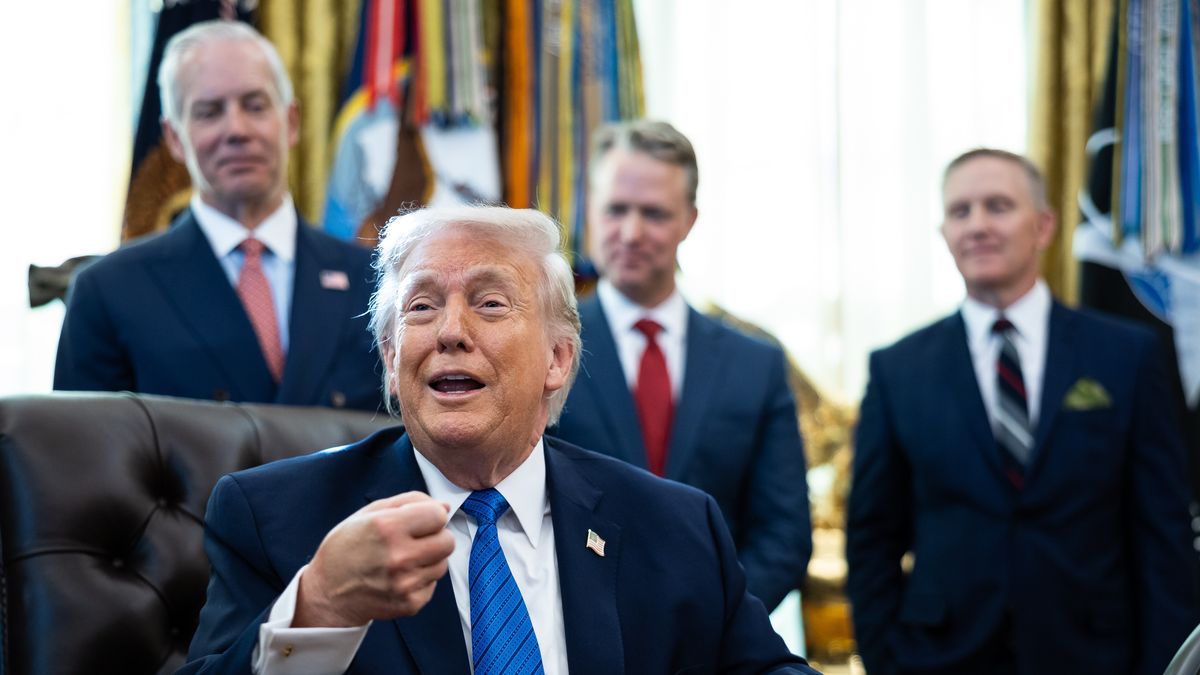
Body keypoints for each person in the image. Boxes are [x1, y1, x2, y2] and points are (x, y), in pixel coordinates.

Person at [179, 206, 818, 674]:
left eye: (489, 304)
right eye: (421, 307)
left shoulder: (675, 524)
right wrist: (317, 607)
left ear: (558, 359)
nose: (450, 332)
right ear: (390, 358)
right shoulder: (278, 520)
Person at [846, 148, 1199, 674]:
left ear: (1044, 225)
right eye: (960, 211)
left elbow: (1162, 534)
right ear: (944, 233)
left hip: (1095, 658)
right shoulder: (897, 369)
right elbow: (872, 538)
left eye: (998, 206)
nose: (978, 225)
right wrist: (887, 661)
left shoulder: (1126, 356)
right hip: (940, 659)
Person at [551, 119, 812, 611]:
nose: (630, 232)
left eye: (653, 213)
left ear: (689, 220)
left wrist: (717, 625)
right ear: (590, 211)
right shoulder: (541, 352)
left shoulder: (755, 366)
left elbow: (785, 533)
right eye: (616, 210)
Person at [53, 21, 381, 411]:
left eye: (255, 106)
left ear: (291, 122)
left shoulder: (376, 282)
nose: (236, 129)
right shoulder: (107, 292)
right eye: (209, 112)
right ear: (175, 138)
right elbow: (81, 462)